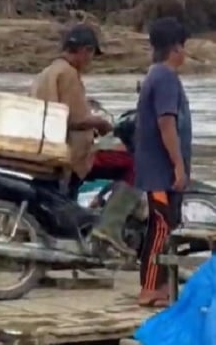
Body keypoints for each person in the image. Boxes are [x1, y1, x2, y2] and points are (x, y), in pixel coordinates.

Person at [28, 24, 140, 254]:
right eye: (90, 55)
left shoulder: (47, 72)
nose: (89, 61)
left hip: (49, 146)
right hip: (71, 153)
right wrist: (100, 124)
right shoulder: (68, 74)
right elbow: (73, 118)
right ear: (85, 50)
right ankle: (109, 228)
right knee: (137, 166)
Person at [132, 17, 192, 307]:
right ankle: (150, 288)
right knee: (161, 228)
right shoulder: (166, 77)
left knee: (164, 226)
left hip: (158, 169)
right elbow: (167, 124)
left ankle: (160, 286)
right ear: (176, 48)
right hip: (160, 172)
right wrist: (178, 165)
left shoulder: (155, 74)